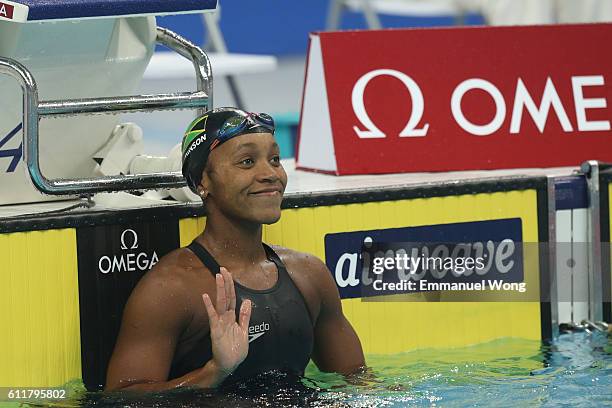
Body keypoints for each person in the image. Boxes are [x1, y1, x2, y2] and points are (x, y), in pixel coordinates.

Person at [105, 107, 366, 391]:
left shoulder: (309, 275)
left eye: (275, 159)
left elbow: (358, 381)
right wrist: (214, 372)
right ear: (203, 182)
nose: (270, 174)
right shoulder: (171, 289)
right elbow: (121, 396)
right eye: (247, 161)